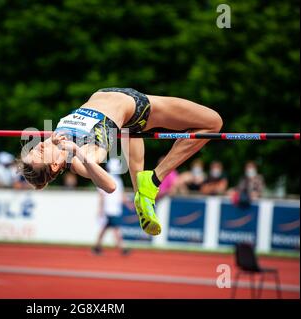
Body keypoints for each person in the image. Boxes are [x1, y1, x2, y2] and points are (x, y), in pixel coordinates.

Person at [18, 87, 223, 235]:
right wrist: (75, 151)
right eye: (39, 154)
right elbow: (110, 185)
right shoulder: (79, 157)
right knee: (213, 122)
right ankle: (154, 180)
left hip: (119, 108)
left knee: (138, 180)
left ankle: (143, 197)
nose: (39, 146)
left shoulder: (55, 137)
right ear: (54, 165)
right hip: (137, 108)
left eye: (35, 148)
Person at [92, 158, 130, 256]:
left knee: (104, 228)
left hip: (114, 209)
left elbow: (121, 196)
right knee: (116, 228)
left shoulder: (118, 180)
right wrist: (101, 209)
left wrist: (129, 204)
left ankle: (97, 246)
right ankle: (123, 248)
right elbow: (102, 195)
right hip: (110, 209)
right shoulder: (107, 178)